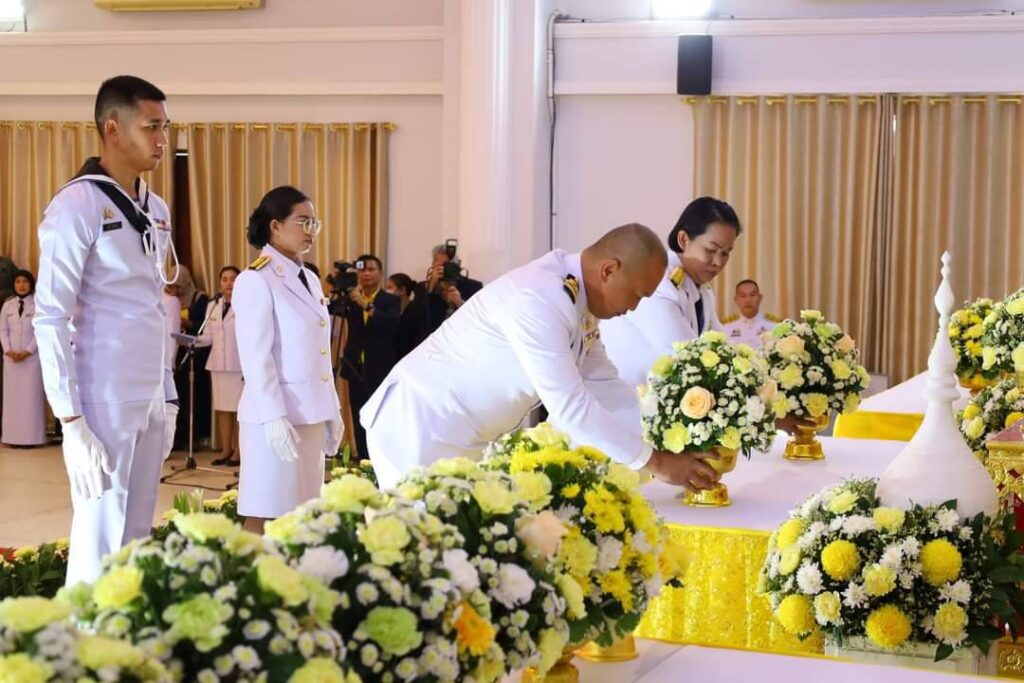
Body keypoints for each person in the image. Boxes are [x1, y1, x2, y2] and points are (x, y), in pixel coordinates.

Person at [361, 223, 721, 492]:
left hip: (463, 434)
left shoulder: (578, 299)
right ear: (609, 270)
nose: (633, 308)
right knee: (424, 556)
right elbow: (570, 407)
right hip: (420, 427)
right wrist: (656, 462)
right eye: (636, 295)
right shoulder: (539, 298)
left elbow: (604, 383)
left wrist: (662, 442)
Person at [33, 75, 178, 585]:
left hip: (148, 395)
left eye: (165, 127)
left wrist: (168, 395)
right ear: (112, 129)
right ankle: (82, 635)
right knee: (100, 537)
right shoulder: (77, 205)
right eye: (151, 127)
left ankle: (126, 631)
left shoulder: (154, 208)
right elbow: (50, 317)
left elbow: (154, 307)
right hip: (104, 397)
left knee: (135, 538)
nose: (162, 140)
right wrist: (71, 421)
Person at [233, 185, 344, 532]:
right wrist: (273, 417)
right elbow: (256, 357)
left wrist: (332, 408)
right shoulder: (255, 279)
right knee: (265, 511)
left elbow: (319, 353)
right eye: (303, 222)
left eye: (315, 223)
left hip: (309, 414)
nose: (311, 231)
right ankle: (247, 568)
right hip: (274, 418)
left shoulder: (309, 278)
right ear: (275, 226)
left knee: (301, 515)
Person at [601, 196, 740, 388]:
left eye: (725, 253)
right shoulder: (657, 283)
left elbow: (721, 343)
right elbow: (688, 357)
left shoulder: (702, 288)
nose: (718, 262)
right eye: (710, 250)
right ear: (683, 240)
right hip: (622, 398)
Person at [339, 255, 400, 458]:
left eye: (371, 269)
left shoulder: (390, 300)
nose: (366, 274)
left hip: (380, 368)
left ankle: (380, 460)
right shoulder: (351, 299)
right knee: (358, 416)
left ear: (380, 273)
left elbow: (391, 325)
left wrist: (365, 305)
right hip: (355, 367)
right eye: (362, 270)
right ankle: (362, 459)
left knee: (380, 417)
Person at [194, 265, 242, 467]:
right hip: (217, 364)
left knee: (239, 410)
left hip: (238, 365)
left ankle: (239, 451)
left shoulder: (246, 303)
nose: (228, 283)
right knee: (223, 409)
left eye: (233, 279)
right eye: (224, 279)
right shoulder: (213, 305)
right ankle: (225, 449)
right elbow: (208, 337)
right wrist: (190, 341)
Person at [168, 265, 211, 451]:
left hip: (194, 354)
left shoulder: (200, 298)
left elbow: (204, 325)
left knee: (192, 396)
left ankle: (193, 437)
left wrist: (188, 323)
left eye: (178, 286)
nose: (175, 290)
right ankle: (176, 437)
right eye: (172, 285)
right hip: (176, 354)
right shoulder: (167, 299)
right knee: (175, 395)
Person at [1, 270, 46, 446]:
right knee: (13, 400)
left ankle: (32, 438)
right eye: (18, 281)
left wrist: (28, 351)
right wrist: (8, 350)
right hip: (11, 360)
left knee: (30, 400)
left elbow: (40, 331)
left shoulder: (38, 304)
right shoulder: (8, 305)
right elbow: (3, 331)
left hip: (31, 360)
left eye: (25, 281)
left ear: (31, 284)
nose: (21, 285)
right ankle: (11, 438)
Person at [411, 243, 484, 341]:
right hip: (432, 340)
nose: (445, 269)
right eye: (441, 265)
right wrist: (431, 286)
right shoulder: (422, 287)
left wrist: (459, 303)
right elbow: (416, 317)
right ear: (433, 265)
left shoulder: (473, 286)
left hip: (461, 340)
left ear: (458, 265)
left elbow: (478, 318)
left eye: (448, 265)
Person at [722, 279, 777, 349]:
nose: (748, 300)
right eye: (743, 296)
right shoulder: (725, 326)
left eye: (752, 295)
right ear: (736, 300)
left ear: (760, 298)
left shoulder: (774, 325)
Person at [385, 273, 422, 361]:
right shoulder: (389, 309)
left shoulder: (415, 311)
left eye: (389, 287)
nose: (386, 291)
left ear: (402, 290)